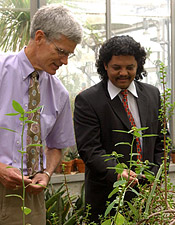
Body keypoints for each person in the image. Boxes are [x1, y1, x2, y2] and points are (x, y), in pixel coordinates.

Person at [0, 4, 82, 225]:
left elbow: (56, 144)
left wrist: (46, 173)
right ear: (39, 37)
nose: (65, 61)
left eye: (69, 55)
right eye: (61, 51)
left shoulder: (59, 93)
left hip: (30, 194)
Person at [74, 35, 165, 223]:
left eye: (130, 67)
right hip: (107, 200)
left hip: (147, 198)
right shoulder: (89, 100)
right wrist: (117, 172)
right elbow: (89, 149)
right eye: (117, 67)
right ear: (105, 66)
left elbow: (162, 141)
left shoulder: (152, 94)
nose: (123, 73)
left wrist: (154, 177)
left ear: (138, 66)